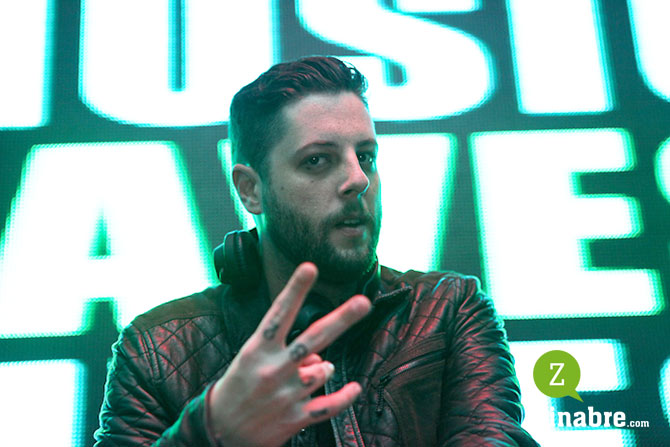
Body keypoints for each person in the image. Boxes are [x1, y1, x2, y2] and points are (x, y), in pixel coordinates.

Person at [95, 56, 538, 446]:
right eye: (317, 160)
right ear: (250, 190)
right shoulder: (156, 349)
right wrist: (209, 434)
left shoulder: (448, 311)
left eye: (366, 156)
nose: (358, 180)